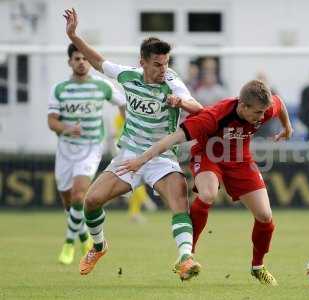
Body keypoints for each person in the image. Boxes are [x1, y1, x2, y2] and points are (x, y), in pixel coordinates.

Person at [64, 8, 203, 280]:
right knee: (91, 201)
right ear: (143, 62)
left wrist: (180, 102)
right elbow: (97, 60)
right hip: (129, 155)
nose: (163, 69)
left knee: (179, 200)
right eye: (157, 64)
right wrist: (73, 35)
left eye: (166, 63)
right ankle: (100, 245)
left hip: (161, 158)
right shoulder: (128, 76)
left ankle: (186, 258)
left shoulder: (173, 82)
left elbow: (197, 108)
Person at [116, 80, 293, 286]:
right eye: (258, 113)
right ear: (243, 106)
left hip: (240, 159)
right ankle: (187, 256)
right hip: (209, 156)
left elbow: (279, 104)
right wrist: (141, 160)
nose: (262, 117)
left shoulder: (265, 106)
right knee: (208, 194)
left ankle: (258, 266)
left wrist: (287, 127)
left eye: (264, 112)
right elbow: (172, 139)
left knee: (265, 216)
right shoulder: (214, 117)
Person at [48, 43, 126, 265]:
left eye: (84, 58)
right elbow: (51, 121)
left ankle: (68, 244)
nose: (81, 62)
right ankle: (84, 238)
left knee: (79, 197)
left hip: (91, 148)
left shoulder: (101, 86)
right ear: (70, 62)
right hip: (65, 150)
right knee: (68, 202)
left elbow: (123, 104)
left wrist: (126, 129)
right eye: (77, 59)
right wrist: (67, 128)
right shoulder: (59, 89)